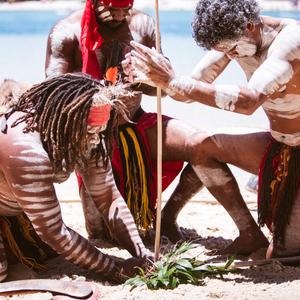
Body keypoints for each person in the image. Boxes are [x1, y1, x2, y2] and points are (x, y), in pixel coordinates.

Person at [126, 0, 300, 257]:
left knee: (284, 255)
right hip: (281, 146)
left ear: (249, 25)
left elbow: (248, 100)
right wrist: (155, 77)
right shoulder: (233, 39)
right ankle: (249, 234)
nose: (230, 55)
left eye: (231, 49)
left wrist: (175, 81)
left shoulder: (291, 41)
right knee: (199, 145)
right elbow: (187, 91)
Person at [45, 0, 205, 245]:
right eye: (112, 9)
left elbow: (163, 91)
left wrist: (145, 77)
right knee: (100, 233)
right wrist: (96, 88)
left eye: (125, 9)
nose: (119, 16)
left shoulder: (143, 25)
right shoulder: (66, 32)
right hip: (91, 137)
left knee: (203, 146)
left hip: (136, 124)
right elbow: (53, 95)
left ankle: (169, 217)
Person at [0, 73, 151, 282]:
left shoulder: (91, 133)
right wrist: (114, 268)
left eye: (101, 130)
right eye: (89, 131)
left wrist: (142, 253)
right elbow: (54, 231)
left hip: (15, 208)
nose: (96, 138)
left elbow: (109, 198)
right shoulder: (25, 150)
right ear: (66, 121)